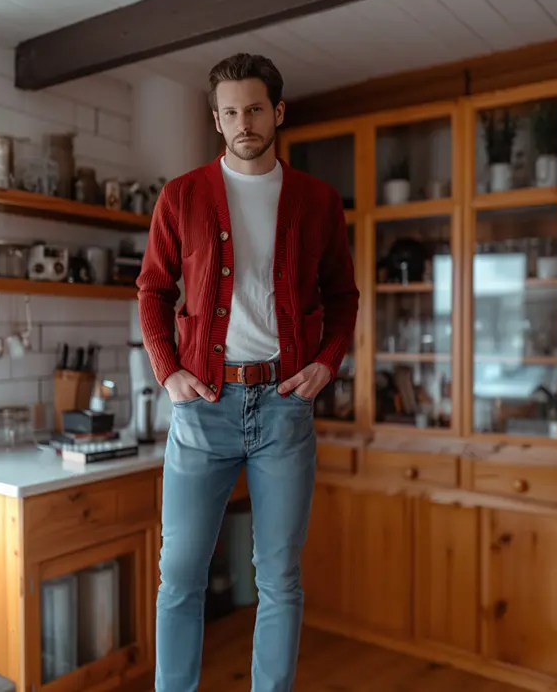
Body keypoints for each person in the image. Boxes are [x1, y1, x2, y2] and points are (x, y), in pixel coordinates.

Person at [136, 52, 359, 692]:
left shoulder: (315, 200)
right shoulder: (181, 196)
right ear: (216, 119)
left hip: (284, 406)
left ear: (278, 112)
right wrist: (168, 369)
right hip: (204, 404)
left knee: (278, 578)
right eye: (230, 111)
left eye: (255, 108)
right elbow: (153, 290)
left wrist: (326, 361)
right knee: (179, 575)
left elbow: (343, 295)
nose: (244, 121)